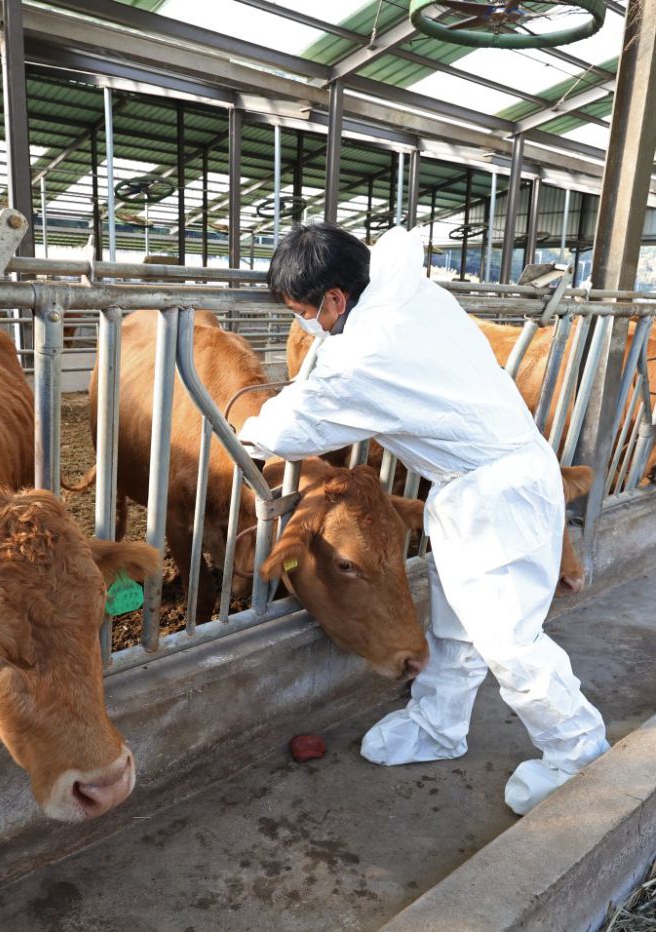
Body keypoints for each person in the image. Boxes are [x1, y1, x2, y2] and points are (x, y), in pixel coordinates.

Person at [237, 222, 610, 816]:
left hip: (495, 495)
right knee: (456, 624)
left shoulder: (367, 353)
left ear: (335, 299)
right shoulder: (407, 291)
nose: (306, 326)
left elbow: (290, 430)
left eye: (304, 313)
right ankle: (438, 724)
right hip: (476, 486)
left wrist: (246, 429)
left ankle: (580, 755)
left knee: (508, 642)